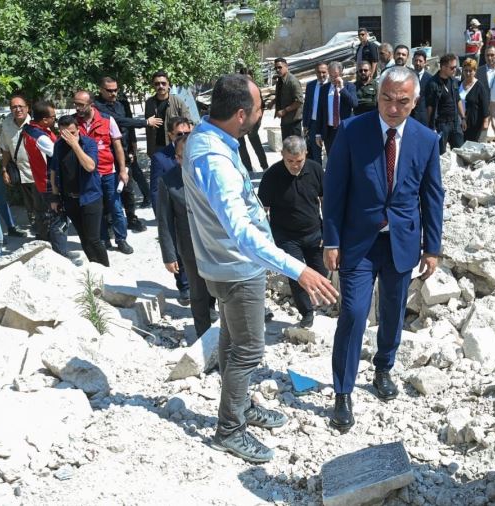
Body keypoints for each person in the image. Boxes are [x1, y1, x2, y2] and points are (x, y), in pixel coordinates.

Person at [181, 73, 337, 463]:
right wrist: (297, 269)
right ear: (239, 114)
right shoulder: (215, 160)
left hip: (221, 265)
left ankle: (241, 406)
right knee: (249, 350)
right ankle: (229, 428)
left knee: (233, 342)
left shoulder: (206, 137)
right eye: (258, 108)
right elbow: (241, 233)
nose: (262, 112)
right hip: (236, 269)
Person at [323, 65, 444, 431]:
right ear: (377, 96)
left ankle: (383, 368)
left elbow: (432, 196)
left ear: (415, 101)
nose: (393, 107)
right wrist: (331, 239)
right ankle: (342, 391)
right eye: (387, 99)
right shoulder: (351, 131)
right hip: (358, 242)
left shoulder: (426, 140)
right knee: (355, 313)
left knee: (392, 312)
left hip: (402, 241)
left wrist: (432, 246)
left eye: (402, 101)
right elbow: (334, 189)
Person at [257, 136, 326, 328]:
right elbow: (263, 210)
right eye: (290, 161)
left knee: (321, 270)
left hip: (314, 232)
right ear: (282, 156)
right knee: (297, 275)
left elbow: (324, 199)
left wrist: (328, 230)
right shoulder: (271, 176)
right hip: (286, 236)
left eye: (299, 161)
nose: (295, 166)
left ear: (305, 154)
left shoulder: (315, 169)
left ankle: (319, 303)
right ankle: (307, 312)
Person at [157, 133, 214, 339]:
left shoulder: (213, 173)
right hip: (190, 247)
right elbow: (165, 221)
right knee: (198, 293)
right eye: (180, 157)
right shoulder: (168, 181)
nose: (184, 161)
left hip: (217, 244)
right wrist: (169, 255)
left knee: (221, 289)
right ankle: (204, 337)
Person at [74, 90, 133, 255]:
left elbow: (117, 146)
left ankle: (121, 239)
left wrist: (122, 170)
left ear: (91, 104)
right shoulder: (74, 122)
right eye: (76, 104)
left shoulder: (107, 120)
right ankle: (103, 239)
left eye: (81, 104)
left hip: (108, 172)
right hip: (88, 175)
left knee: (115, 207)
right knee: (95, 208)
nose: (77, 108)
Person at [94, 76, 157, 228]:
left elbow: (128, 125)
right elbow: (117, 121)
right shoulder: (97, 105)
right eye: (109, 91)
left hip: (124, 151)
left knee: (128, 187)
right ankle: (109, 222)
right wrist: (145, 122)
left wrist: (132, 148)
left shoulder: (122, 103)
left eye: (115, 90)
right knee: (108, 189)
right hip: (108, 153)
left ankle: (131, 218)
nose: (113, 94)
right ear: (101, 89)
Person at [49, 115, 109, 267]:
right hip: (70, 199)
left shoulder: (88, 143)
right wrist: (55, 196)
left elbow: (90, 166)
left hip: (90, 197)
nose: (68, 138)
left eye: (72, 133)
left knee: (94, 238)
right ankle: (95, 268)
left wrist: (75, 145)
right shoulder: (59, 145)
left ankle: (106, 271)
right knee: (84, 238)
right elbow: (54, 171)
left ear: (78, 130)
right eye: (65, 134)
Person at [151, 117, 195, 305]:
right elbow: (155, 190)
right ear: (170, 135)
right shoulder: (161, 158)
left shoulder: (198, 153)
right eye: (179, 134)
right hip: (174, 212)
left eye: (187, 133)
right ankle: (184, 286)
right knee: (179, 252)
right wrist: (160, 214)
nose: (184, 136)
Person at [20, 100, 69, 256]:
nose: (55, 119)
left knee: (47, 217)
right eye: (53, 116)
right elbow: (59, 155)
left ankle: (56, 250)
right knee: (58, 219)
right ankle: (62, 254)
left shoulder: (29, 128)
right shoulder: (40, 137)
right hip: (49, 183)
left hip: (41, 181)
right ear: (45, 120)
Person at [0, 94, 42, 237]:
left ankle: (45, 233)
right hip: (21, 172)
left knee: (40, 205)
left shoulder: (36, 123)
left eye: (20, 106)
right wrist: (4, 169)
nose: (17, 109)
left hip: (38, 173)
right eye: (14, 107)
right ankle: (37, 232)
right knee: (29, 206)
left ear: (27, 108)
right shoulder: (6, 124)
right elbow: (5, 148)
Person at [145, 70, 195, 156]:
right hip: (156, 147)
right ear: (153, 85)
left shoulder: (178, 102)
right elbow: (147, 124)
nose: (160, 86)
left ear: (168, 84)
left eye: (163, 83)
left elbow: (189, 123)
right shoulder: (149, 103)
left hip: (174, 146)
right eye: (157, 84)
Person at [425, 53, 465, 154]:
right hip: (441, 124)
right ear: (443, 67)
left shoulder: (454, 81)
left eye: (455, 67)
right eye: (452, 68)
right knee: (440, 153)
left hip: (455, 123)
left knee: (460, 152)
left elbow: (458, 99)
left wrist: (463, 118)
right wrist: (431, 126)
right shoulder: (432, 84)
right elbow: (429, 107)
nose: (455, 70)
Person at [315, 61, 358, 156]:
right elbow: (320, 112)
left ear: (341, 74)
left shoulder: (349, 86)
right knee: (332, 157)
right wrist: (318, 133)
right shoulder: (324, 89)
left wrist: (342, 88)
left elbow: (354, 103)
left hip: (344, 129)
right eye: (331, 76)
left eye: (336, 76)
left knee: (346, 156)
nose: (334, 79)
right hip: (329, 132)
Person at [236, 68, 269, 173]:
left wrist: (258, 122)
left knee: (256, 144)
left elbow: (261, 107)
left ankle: (265, 167)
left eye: (249, 79)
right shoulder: (237, 91)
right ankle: (248, 169)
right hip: (240, 123)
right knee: (241, 147)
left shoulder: (255, 90)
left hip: (253, 122)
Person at [302, 62, 329, 164]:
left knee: (330, 151)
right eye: (318, 72)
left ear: (328, 72)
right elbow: (307, 105)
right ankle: (318, 176)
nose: (321, 75)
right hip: (314, 123)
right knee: (315, 153)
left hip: (328, 124)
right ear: (315, 72)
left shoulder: (332, 85)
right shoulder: (311, 86)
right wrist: (305, 124)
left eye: (324, 72)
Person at [272, 58, 305, 140]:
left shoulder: (292, 81)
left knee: (295, 149)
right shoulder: (280, 80)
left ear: (286, 66)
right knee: (287, 148)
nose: (277, 70)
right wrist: (273, 101)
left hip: (293, 123)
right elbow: (282, 95)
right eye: (276, 68)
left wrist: (284, 111)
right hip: (285, 122)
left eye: (280, 67)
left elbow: (299, 101)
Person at [459, 58, 490, 143]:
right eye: (466, 70)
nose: (468, 73)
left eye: (470, 71)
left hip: (474, 124)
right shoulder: (459, 84)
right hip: (459, 122)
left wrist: (485, 122)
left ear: (475, 71)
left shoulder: (479, 87)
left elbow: (485, 106)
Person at [411, 51, 433, 126]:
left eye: (420, 61)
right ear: (412, 61)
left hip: (424, 119)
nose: (417, 63)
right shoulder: (408, 76)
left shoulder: (430, 79)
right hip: (409, 116)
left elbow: (431, 101)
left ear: (425, 62)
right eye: (416, 60)